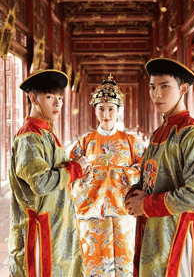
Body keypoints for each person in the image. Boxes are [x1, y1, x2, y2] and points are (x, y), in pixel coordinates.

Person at [125, 58, 194, 277]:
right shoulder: (158, 133)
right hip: (155, 230)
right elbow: (153, 178)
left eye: (164, 86)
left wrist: (147, 204)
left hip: (180, 234)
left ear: (183, 89)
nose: (156, 94)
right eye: (152, 87)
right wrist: (135, 193)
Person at [8, 69, 91, 277]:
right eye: (49, 97)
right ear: (32, 98)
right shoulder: (30, 138)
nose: (57, 104)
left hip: (56, 226)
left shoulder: (46, 132)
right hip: (40, 230)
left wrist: (77, 170)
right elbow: (41, 183)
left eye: (60, 98)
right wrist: (74, 168)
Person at [69, 74, 145, 276]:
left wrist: (121, 174)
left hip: (124, 212)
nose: (106, 114)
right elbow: (70, 175)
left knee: (126, 264)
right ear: (94, 110)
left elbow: (146, 169)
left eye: (111, 109)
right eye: (101, 108)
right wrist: (87, 177)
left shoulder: (131, 141)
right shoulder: (85, 142)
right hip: (93, 214)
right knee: (95, 264)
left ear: (119, 110)